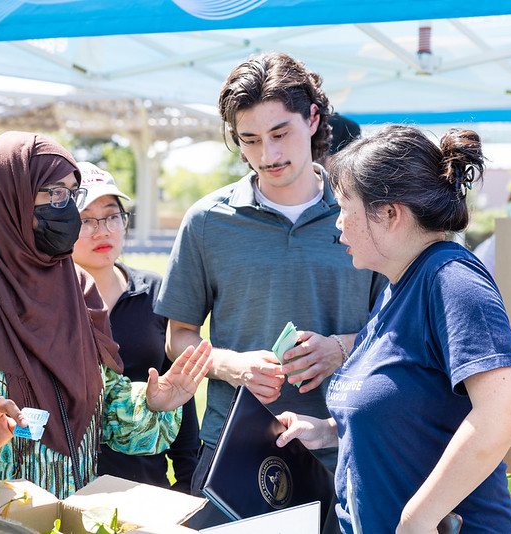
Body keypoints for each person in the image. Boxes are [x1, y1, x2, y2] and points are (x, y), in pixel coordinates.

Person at [0, 131, 212, 533]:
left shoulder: (77, 287)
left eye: (71, 194)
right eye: (52, 194)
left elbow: (99, 409)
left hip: (63, 517)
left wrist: (151, 404)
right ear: (9, 197)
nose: (67, 208)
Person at [154, 52, 386, 529]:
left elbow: (399, 333)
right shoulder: (205, 222)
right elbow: (179, 336)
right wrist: (232, 365)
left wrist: (340, 349)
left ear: (314, 119)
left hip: (345, 448)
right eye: (250, 140)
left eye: (280, 133)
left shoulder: (370, 216)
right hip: (233, 452)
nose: (268, 156)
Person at [276, 124, 511, 534]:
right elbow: (412, 410)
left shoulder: (451, 280)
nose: (338, 224)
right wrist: (327, 431)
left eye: (344, 208)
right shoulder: (398, 289)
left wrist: (418, 518)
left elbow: (504, 411)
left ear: (390, 214)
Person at [71, 161, 200, 493]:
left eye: (112, 216)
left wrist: (188, 484)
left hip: (145, 490)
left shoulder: (156, 293)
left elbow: (179, 393)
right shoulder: (46, 303)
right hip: (66, 489)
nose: (103, 231)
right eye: (86, 220)